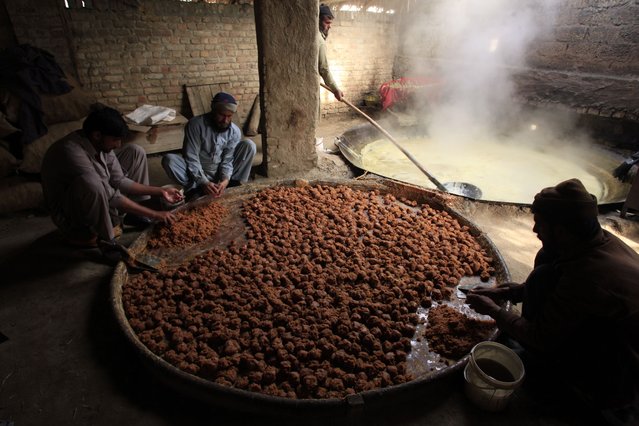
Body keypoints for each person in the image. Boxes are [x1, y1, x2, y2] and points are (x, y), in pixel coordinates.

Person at [466, 178, 639, 421]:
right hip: (604, 320)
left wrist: (494, 312)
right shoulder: (593, 241)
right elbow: (563, 280)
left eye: (539, 224)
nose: (535, 230)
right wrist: (508, 293)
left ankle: (577, 385)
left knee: (539, 296)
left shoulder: (589, 277)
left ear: (560, 230)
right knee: (544, 269)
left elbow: (540, 337)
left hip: (621, 367)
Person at [41, 106, 183, 255]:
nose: (118, 145)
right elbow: (111, 196)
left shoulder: (99, 144)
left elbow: (119, 180)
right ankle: (107, 241)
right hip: (71, 214)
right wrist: (154, 214)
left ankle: (134, 214)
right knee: (92, 183)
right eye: (115, 140)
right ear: (97, 135)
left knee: (135, 151)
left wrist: (161, 191)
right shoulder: (71, 151)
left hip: (98, 195)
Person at [161, 92, 256, 200]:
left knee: (249, 145)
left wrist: (225, 179)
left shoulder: (234, 131)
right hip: (196, 172)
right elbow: (191, 157)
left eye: (229, 116)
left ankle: (230, 184)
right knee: (169, 160)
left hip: (219, 171)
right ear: (213, 110)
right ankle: (194, 189)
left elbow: (227, 160)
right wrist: (203, 181)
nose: (225, 120)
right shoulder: (195, 125)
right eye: (221, 115)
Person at [318, 4, 343, 102]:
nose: (330, 26)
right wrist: (336, 89)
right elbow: (323, 69)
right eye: (327, 23)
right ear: (318, 21)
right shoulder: (319, 41)